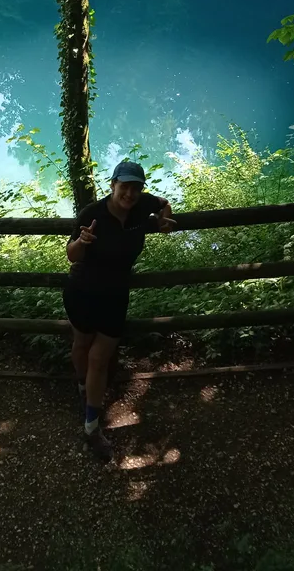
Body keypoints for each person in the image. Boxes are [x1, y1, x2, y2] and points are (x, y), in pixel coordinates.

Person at [63, 159, 176, 461]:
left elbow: (164, 203)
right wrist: (82, 241)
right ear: (112, 185)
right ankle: (82, 388)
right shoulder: (93, 214)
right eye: (124, 185)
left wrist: (164, 219)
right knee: (83, 345)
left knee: (100, 359)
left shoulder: (141, 207)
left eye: (135, 187)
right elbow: (71, 255)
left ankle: (90, 426)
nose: (129, 192)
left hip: (115, 295)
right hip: (83, 292)